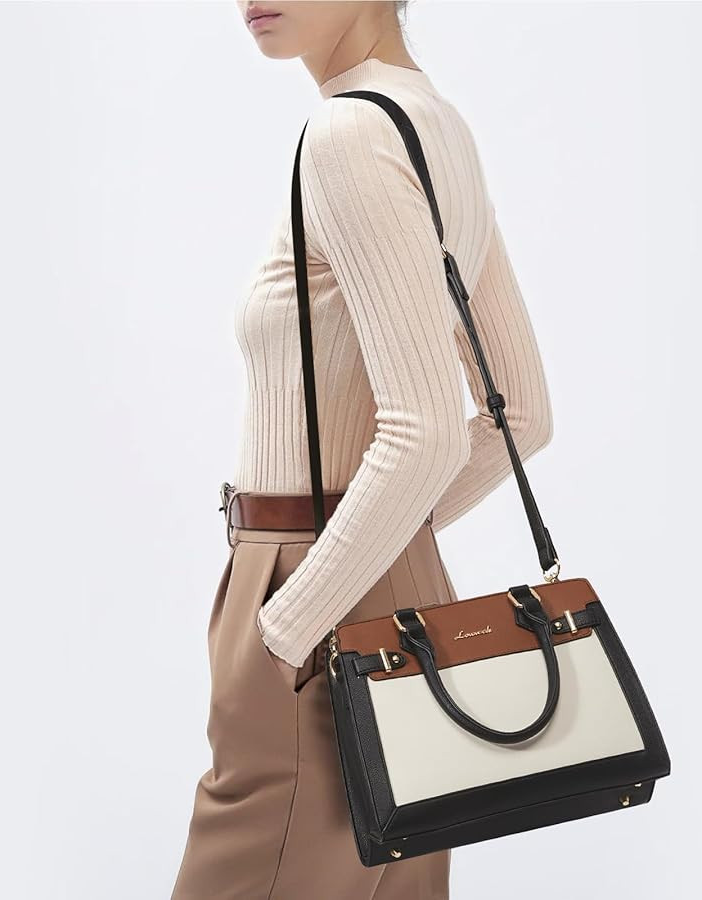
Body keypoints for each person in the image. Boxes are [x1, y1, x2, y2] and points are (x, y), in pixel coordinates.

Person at [171, 2, 554, 897]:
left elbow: (426, 430)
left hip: (309, 596)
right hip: (391, 585)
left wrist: (279, 635)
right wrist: (389, 541)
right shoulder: (435, 125)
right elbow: (523, 415)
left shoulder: (348, 133)